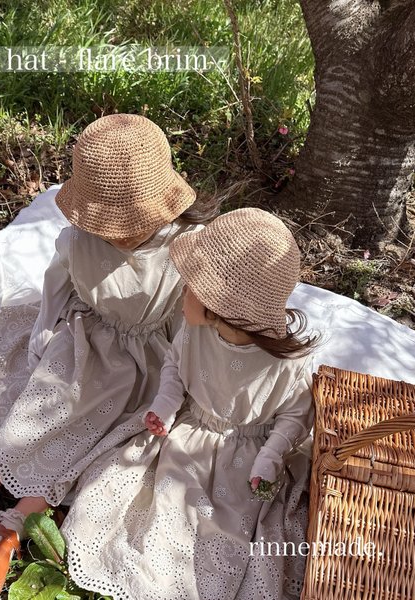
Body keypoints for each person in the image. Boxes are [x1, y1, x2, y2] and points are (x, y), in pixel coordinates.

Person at [0, 113, 219, 599]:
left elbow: (189, 326)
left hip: (148, 360)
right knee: (40, 405)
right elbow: (59, 281)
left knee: (92, 431)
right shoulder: (80, 238)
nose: (118, 234)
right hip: (87, 337)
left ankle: (18, 519)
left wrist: (182, 384)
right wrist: (46, 323)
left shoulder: (185, 251)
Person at [61, 207, 318, 600]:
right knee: (151, 508)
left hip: (247, 455)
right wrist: (166, 403)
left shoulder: (286, 364)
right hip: (190, 431)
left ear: (221, 305)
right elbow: (175, 368)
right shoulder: (194, 331)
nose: (181, 291)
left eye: (191, 287)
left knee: (224, 534)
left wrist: (270, 456)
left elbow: (296, 414)